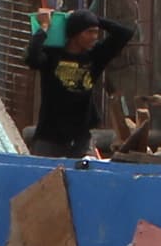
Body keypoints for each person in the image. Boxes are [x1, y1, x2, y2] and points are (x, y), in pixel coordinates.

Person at [26, 9, 135, 158]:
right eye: (89, 32)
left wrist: (91, 18)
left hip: (81, 139)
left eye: (96, 32)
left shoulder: (95, 57)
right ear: (75, 34)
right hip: (49, 137)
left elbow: (125, 33)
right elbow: (31, 58)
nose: (94, 37)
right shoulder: (52, 55)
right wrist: (43, 27)